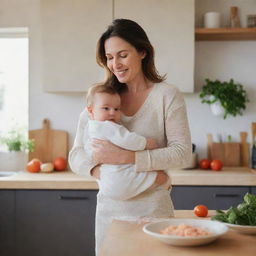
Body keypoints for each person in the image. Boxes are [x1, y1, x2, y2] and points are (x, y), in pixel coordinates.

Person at [69, 18, 191, 256]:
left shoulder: (167, 96)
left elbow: (182, 153)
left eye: (122, 55)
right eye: (109, 57)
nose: (115, 64)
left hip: (155, 215)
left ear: (142, 52)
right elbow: (76, 155)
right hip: (110, 215)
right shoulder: (100, 101)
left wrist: (127, 157)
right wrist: (101, 172)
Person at [85, 84, 169, 200]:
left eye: (116, 109)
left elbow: (87, 150)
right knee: (159, 177)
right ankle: (160, 180)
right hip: (119, 179)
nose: (112, 113)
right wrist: (145, 143)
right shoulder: (109, 126)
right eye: (106, 108)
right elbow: (127, 139)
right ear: (90, 110)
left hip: (106, 180)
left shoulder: (90, 127)